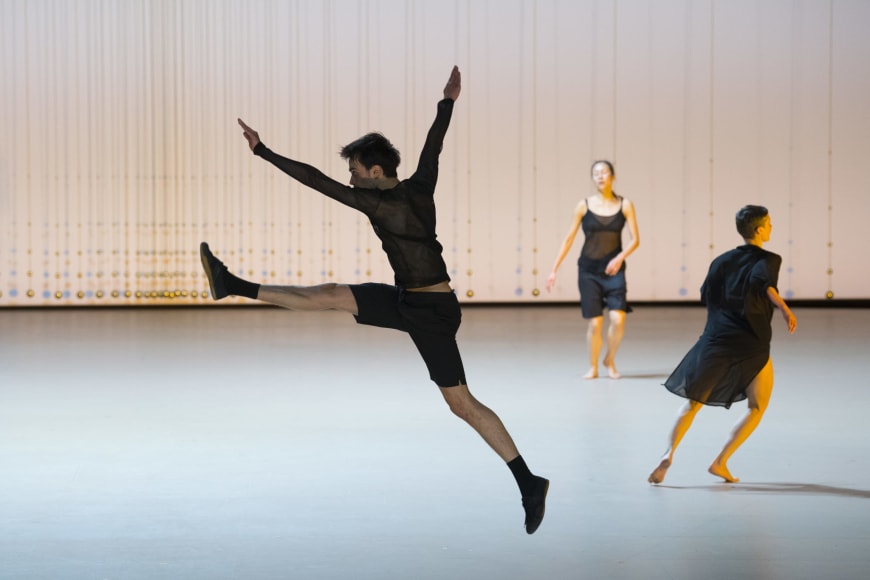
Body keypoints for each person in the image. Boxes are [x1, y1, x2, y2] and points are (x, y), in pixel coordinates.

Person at [199, 66, 549, 533]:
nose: (351, 177)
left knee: (461, 403)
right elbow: (434, 144)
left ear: (375, 171)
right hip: (410, 300)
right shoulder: (419, 187)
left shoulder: (377, 203)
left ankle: (529, 482)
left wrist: (263, 151)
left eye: (356, 170)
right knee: (332, 296)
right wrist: (447, 102)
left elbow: (316, 180)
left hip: (433, 314)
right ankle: (233, 285)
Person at [647, 205, 797, 484]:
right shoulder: (770, 259)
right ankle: (720, 461)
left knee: (692, 404)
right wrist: (785, 310)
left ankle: (669, 453)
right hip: (751, 343)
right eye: (770, 223)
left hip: (716, 340)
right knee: (757, 407)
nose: (772, 227)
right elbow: (765, 285)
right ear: (760, 229)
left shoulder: (720, 261)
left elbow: (707, 294)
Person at [545, 160, 640, 379]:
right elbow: (569, 239)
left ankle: (610, 359)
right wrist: (554, 269)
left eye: (604, 172)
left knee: (618, 319)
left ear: (612, 176)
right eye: (596, 173)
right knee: (595, 323)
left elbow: (635, 240)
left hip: (614, 271)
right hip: (588, 270)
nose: (600, 176)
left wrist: (620, 257)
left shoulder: (625, 205)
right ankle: (593, 366)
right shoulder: (583, 205)